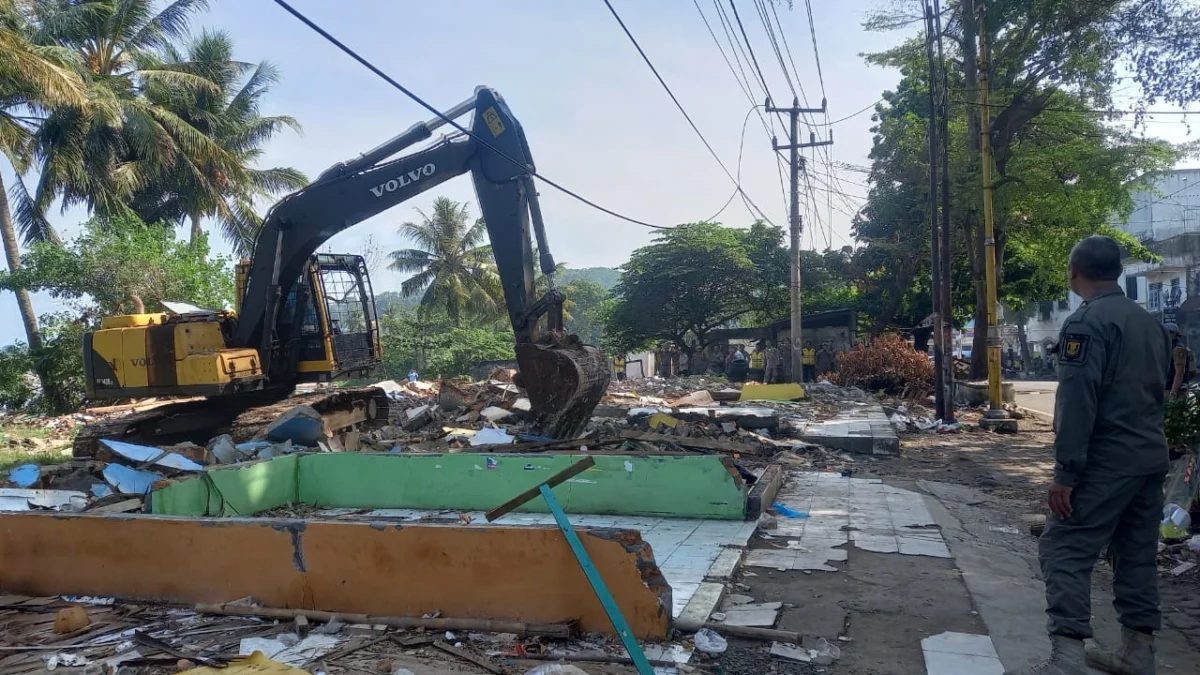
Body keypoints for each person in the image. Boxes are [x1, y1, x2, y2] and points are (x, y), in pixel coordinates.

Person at [1015, 236, 1170, 675]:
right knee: (1135, 553)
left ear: (1074, 272)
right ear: (1117, 271)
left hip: (1106, 461)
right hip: (1149, 459)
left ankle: (1066, 659)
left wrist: (1066, 472)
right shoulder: (1148, 321)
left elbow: (1078, 401)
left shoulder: (1087, 324)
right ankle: (1138, 654)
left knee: (1064, 550)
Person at [1165, 323, 1194, 397]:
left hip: (1175, 391)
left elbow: (1179, 372)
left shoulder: (1178, 349)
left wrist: (1173, 393)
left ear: (1175, 333)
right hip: (1169, 388)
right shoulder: (1170, 346)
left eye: (1169, 332)